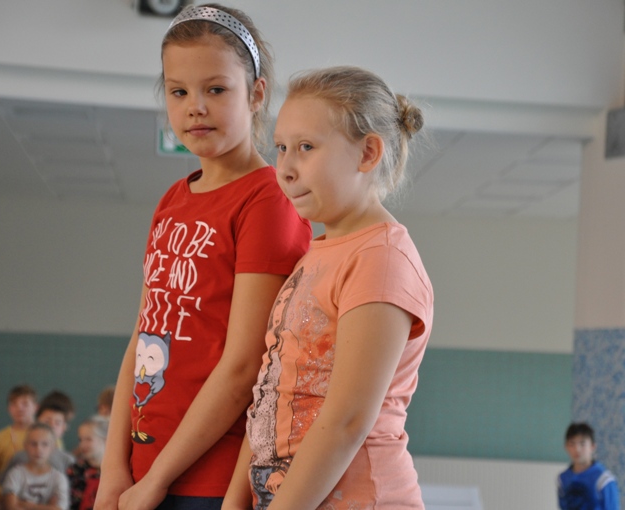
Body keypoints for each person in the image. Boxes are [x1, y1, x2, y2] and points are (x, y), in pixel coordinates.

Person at [94, 4, 311, 510]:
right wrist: (114, 468)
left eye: (216, 89)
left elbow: (245, 365)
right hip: (143, 470)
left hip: (208, 479)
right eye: (178, 92)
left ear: (256, 94)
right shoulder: (172, 200)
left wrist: (157, 479)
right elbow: (140, 339)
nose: (195, 107)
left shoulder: (268, 201)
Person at [223, 66, 434, 509]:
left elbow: (347, 421)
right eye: (281, 148)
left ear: (367, 153)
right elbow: (270, 390)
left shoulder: (381, 258)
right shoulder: (318, 253)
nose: (285, 168)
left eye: (306, 147)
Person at [0, 384, 39, 510]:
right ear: (8, 409)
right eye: (14, 404)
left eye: (25, 403)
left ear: (35, 407)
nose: (19, 408)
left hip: (39, 502)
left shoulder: (49, 437)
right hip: (7, 502)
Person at [0, 401, 76, 484]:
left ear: (64, 427)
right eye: (47, 421)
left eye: (57, 423)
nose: (52, 425)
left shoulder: (67, 460)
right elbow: (4, 482)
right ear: (36, 422)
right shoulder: (19, 457)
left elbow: (73, 487)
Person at [2, 423, 69, 510]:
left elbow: (59, 509)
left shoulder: (58, 478)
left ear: (53, 447)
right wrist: (47, 507)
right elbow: (11, 507)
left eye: (45, 444)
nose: (38, 449)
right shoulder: (15, 474)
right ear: (25, 446)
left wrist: (26, 505)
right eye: (33, 444)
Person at [557, 422, 620, 510]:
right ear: (566, 447)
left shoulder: (604, 479)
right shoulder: (563, 478)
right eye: (572, 444)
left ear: (592, 446)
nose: (577, 449)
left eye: (582, 444)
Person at [68, 418, 108, 510]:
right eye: (80, 440)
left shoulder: (116, 470)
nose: (82, 445)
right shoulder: (75, 470)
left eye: (88, 439)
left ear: (105, 440)